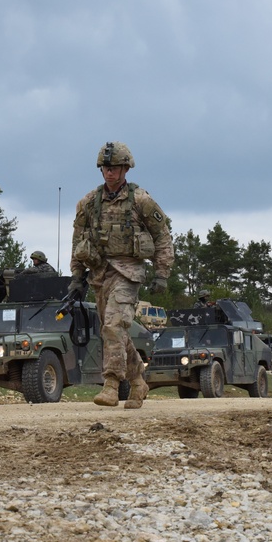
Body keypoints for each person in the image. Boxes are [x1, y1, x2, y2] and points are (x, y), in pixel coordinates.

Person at [69, 141, 174, 409]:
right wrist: (76, 277)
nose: (110, 172)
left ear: (126, 168)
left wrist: (162, 272)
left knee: (114, 326)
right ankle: (138, 380)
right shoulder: (88, 203)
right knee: (113, 331)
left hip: (129, 272)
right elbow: (78, 241)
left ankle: (112, 385)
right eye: (105, 168)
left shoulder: (141, 201)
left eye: (115, 167)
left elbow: (162, 236)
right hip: (100, 274)